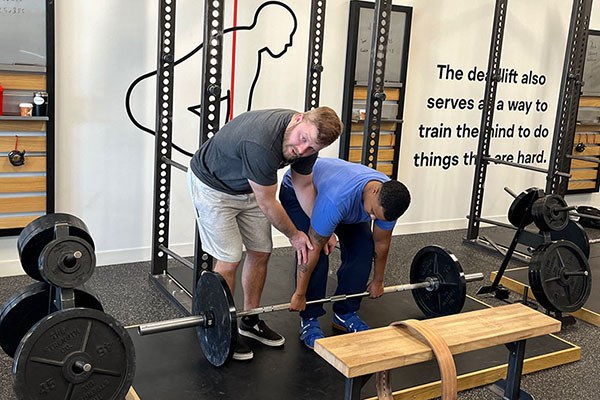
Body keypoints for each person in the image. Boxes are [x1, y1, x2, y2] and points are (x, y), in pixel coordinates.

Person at [187, 107, 342, 360]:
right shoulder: (260, 140)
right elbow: (268, 203)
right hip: (213, 188)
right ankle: (221, 329)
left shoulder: (309, 143)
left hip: (250, 189)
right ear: (299, 118)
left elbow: (303, 186)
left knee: (261, 251)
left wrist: (322, 228)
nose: (302, 150)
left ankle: (249, 320)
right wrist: (295, 235)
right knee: (229, 258)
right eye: (303, 140)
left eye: (311, 148)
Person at [279, 157, 411, 349]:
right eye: (372, 212)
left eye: (377, 217)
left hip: (340, 199)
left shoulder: (389, 202)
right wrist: (299, 295)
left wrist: (378, 280)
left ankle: (345, 313)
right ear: (374, 192)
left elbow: (381, 243)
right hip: (299, 190)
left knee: (363, 250)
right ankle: (309, 318)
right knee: (319, 254)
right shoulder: (337, 199)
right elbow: (312, 250)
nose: (372, 218)